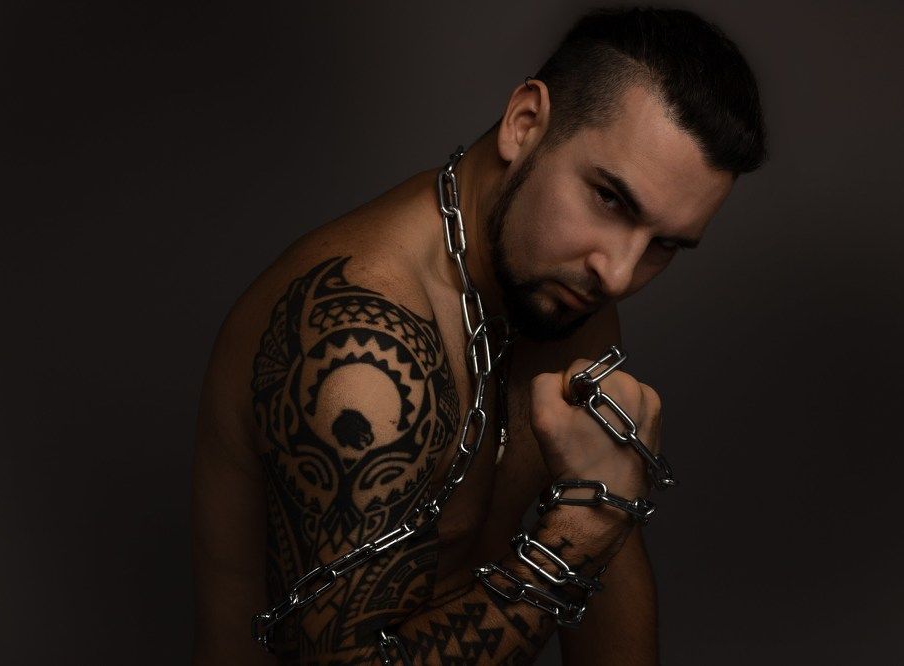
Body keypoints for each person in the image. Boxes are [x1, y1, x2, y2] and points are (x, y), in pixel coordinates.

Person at [192, 6, 766, 664]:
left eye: (664, 244)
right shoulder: (358, 341)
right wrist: (579, 534)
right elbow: (591, 530)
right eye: (610, 199)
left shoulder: (562, 293)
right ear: (525, 122)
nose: (618, 273)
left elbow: (605, 540)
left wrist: (597, 517)